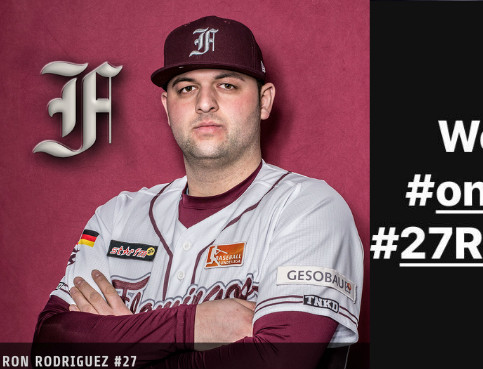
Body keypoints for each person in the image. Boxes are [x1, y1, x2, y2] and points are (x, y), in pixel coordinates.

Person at [32, 15, 364, 369]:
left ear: (264, 101)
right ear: (166, 108)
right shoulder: (116, 217)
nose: (205, 103)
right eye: (186, 88)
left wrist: (120, 343)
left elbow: (277, 361)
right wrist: (191, 326)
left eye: (228, 85)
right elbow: (49, 347)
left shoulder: (308, 209)